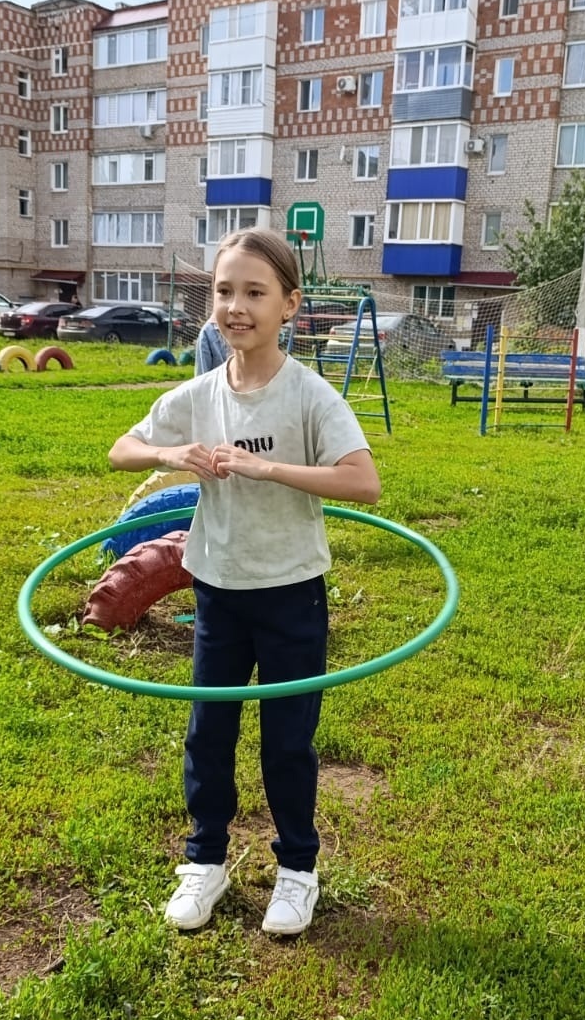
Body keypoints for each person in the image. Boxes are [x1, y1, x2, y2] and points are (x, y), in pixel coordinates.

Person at [108, 227, 381, 937]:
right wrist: (171, 453)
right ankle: (205, 862)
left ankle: (297, 871)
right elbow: (121, 450)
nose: (236, 307)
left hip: (291, 590)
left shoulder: (309, 396)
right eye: (224, 291)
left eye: (255, 293)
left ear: (290, 304)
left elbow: (364, 481)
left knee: (288, 739)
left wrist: (269, 469)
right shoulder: (198, 394)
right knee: (209, 730)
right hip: (218, 589)